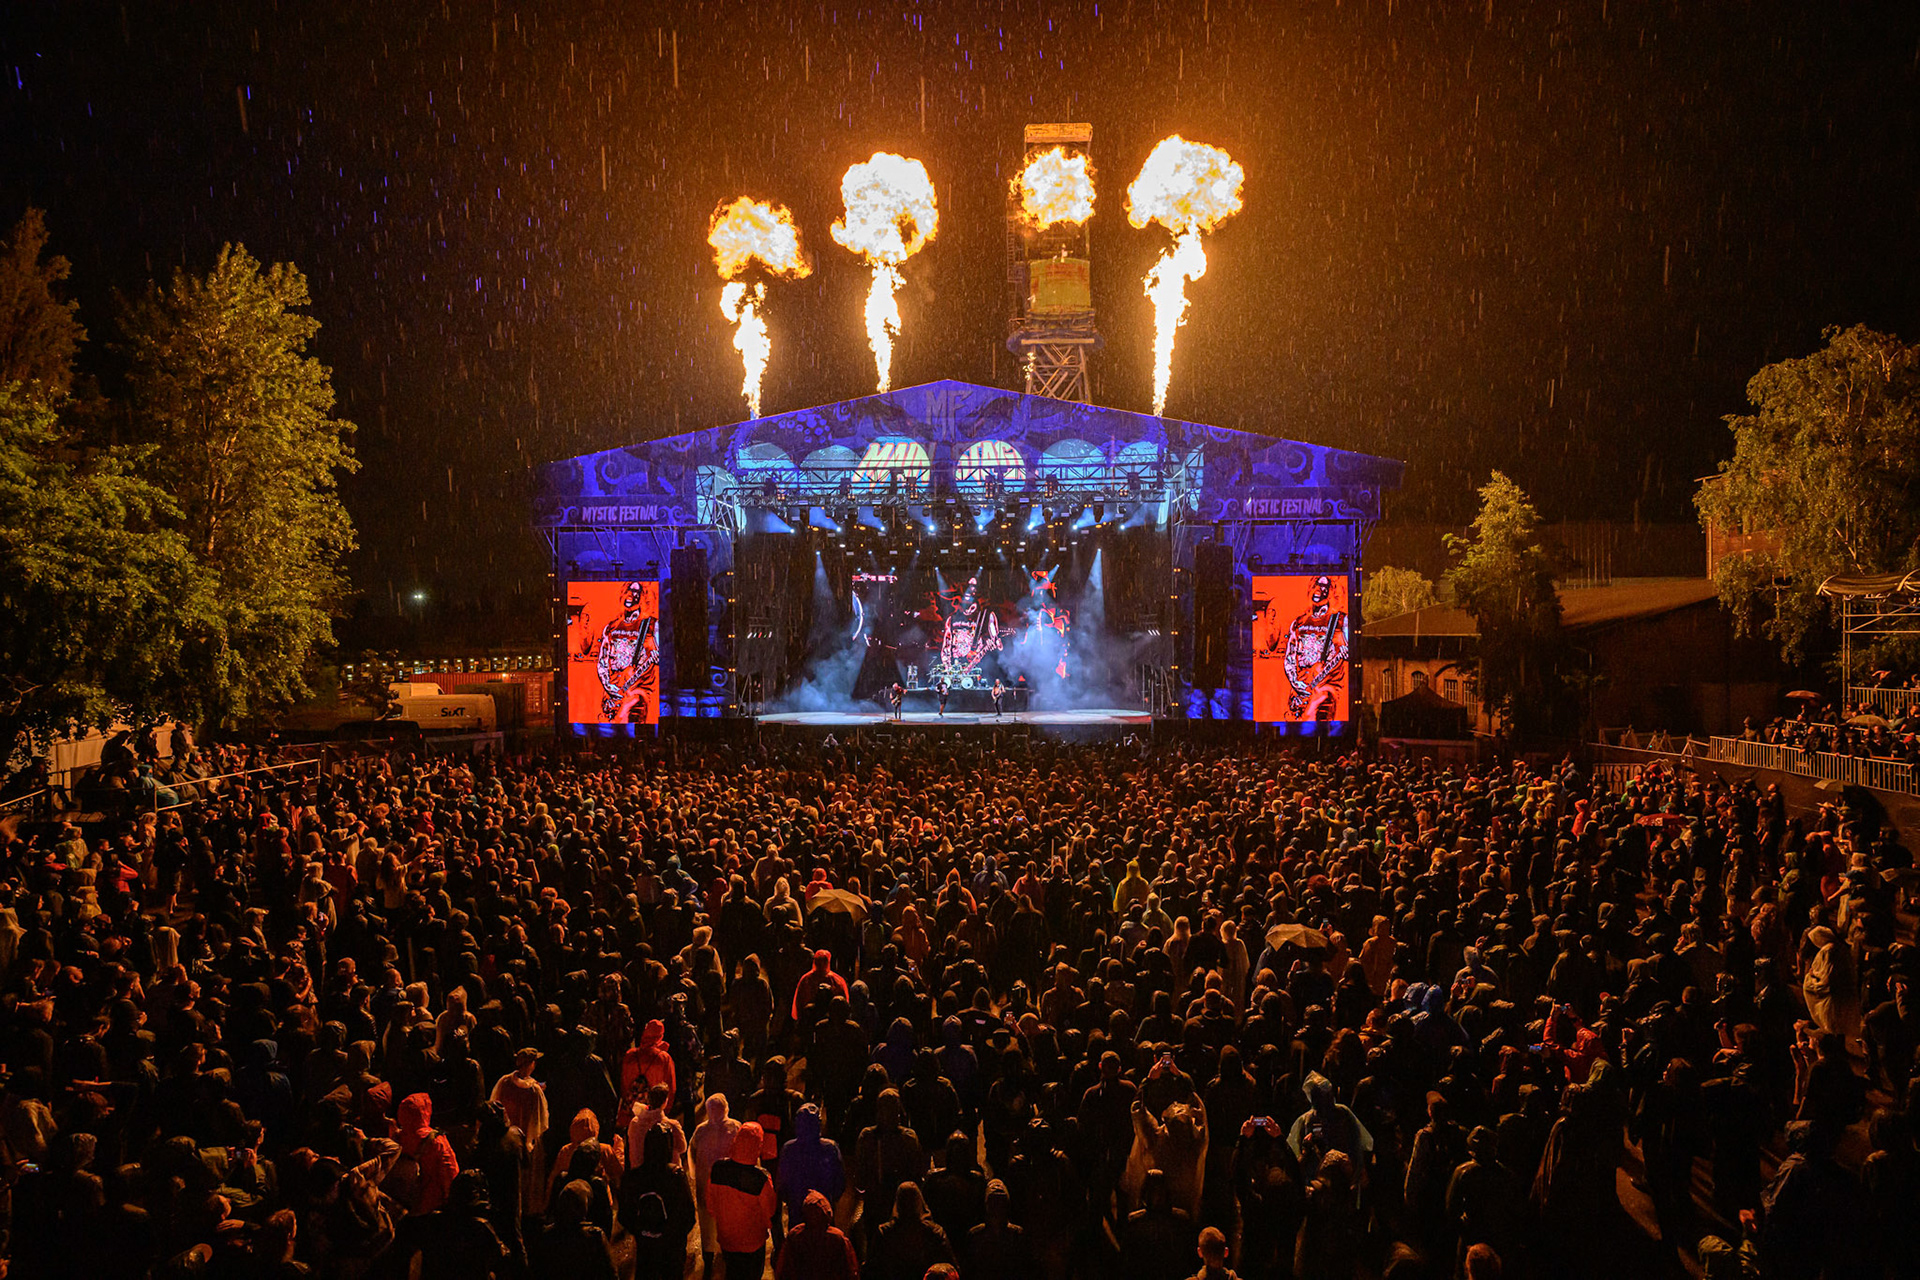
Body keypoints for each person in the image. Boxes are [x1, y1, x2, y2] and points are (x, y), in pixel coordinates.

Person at [709, 1122, 778, 1280]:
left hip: (727, 1239)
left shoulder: (718, 1168)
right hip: (752, 1242)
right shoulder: (761, 1178)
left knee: (732, 1272)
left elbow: (711, 1204)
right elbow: (770, 1212)